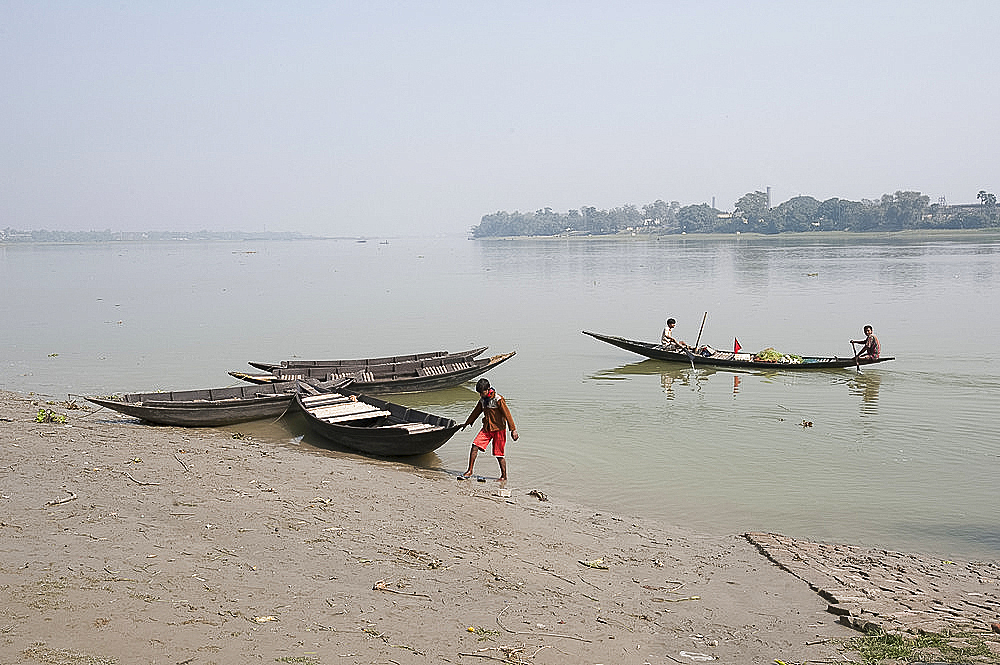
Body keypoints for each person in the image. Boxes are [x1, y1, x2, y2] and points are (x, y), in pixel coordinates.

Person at [460, 378, 517, 482]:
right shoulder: (482, 400)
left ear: (488, 389)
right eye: (480, 393)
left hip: (499, 429)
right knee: (474, 445)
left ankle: (504, 476)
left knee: (499, 454)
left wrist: (513, 429)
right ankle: (470, 471)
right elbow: (476, 412)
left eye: (482, 392)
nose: (481, 395)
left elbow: (507, 415)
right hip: (487, 428)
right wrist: (467, 423)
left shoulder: (498, 399)